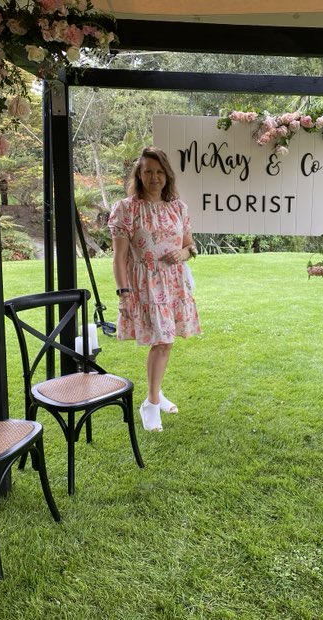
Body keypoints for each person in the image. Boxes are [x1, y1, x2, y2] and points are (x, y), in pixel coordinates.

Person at [109, 147, 201, 432]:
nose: (154, 177)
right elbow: (119, 257)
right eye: (148, 171)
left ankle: (155, 394)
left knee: (166, 341)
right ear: (139, 174)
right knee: (161, 341)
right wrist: (124, 292)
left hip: (173, 284)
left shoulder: (178, 207)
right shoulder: (127, 208)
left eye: (160, 172)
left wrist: (182, 255)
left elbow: (190, 245)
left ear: (167, 175)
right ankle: (150, 402)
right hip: (145, 284)